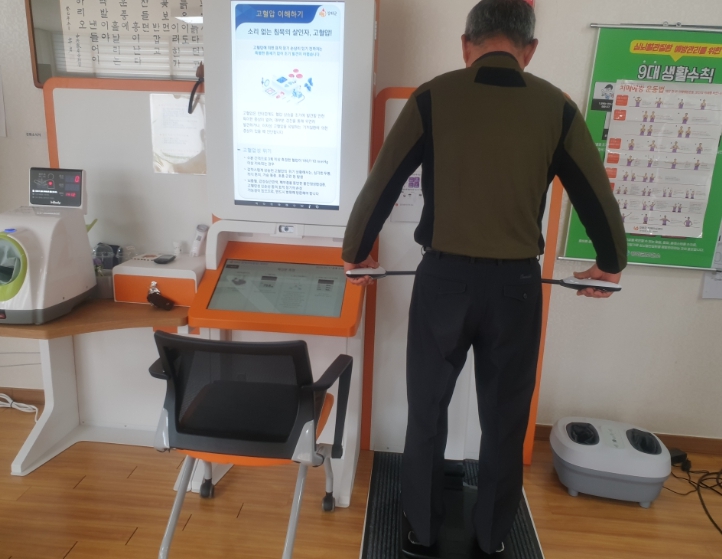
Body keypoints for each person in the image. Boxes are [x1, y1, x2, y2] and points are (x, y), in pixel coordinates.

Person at [342, 0, 626, 555]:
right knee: (505, 420)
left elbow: (382, 182)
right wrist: (609, 264)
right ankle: (493, 538)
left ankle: (422, 532)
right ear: (529, 50)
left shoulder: (432, 97)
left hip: (442, 283)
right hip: (517, 290)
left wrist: (356, 253)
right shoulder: (557, 107)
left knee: (427, 413)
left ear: (466, 44)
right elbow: (596, 195)